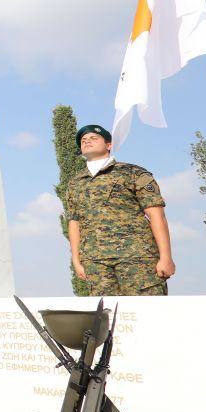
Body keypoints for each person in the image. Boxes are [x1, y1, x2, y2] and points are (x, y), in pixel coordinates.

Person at [66, 124, 175, 296]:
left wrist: (166, 257)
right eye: (83, 140)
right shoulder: (75, 183)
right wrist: (77, 260)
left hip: (137, 258)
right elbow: (74, 223)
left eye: (93, 138)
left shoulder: (133, 173)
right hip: (96, 262)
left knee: (148, 314)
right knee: (107, 318)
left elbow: (157, 216)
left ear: (108, 145)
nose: (87, 141)